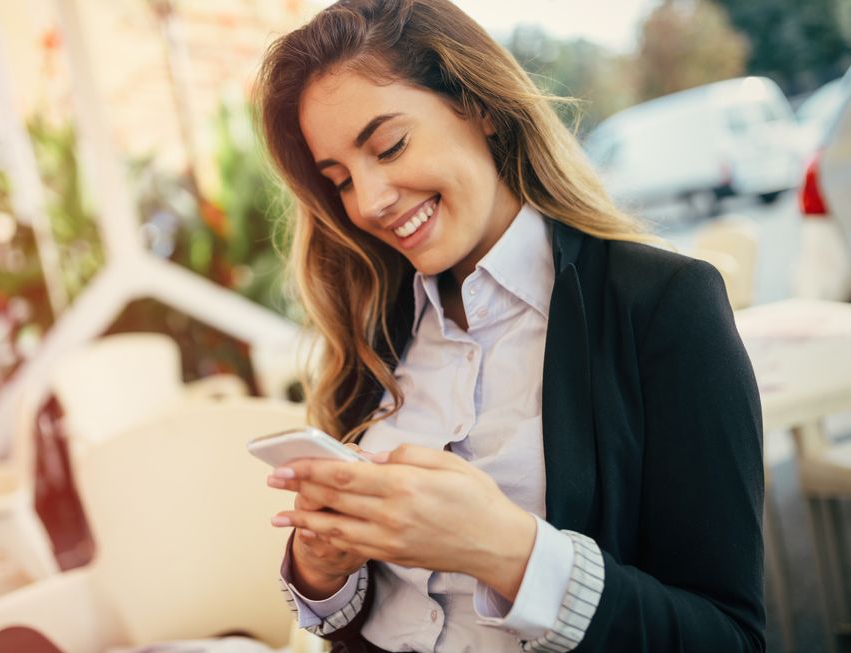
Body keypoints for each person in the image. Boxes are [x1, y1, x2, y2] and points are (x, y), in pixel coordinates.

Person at [254, 1, 765, 651]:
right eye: (340, 180)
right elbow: (364, 615)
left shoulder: (663, 306)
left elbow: (729, 636)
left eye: (389, 146)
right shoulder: (375, 334)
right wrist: (322, 569)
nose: (369, 201)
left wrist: (509, 551)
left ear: (481, 107)